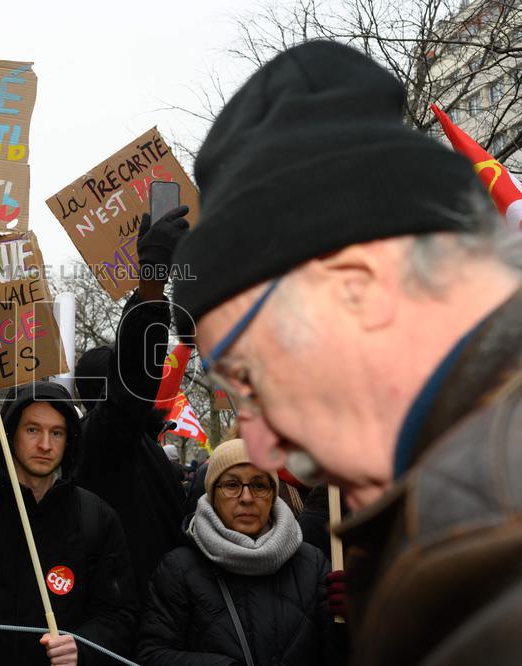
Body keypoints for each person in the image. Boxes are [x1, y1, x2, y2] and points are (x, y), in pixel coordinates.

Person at [171, 40, 522, 665]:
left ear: (359, 291)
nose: (261, 448)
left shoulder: (487, 566)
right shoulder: (449, 524)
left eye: (251, 377)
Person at [0, 381, 137, 665]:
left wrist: (82, 646)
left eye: (56, 433)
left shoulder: (97, 518)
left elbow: (120, 615)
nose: (45, 444)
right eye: (32, 430)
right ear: (10, 434)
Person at [73, 203, 191, 601]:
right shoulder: (103, 440)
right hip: (133, 613)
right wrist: (152, 280)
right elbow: (132, 386)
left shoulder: (138, 442)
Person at [138, 440, 342, 665]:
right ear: (213, 496)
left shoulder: (313, 564)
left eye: (259, 486)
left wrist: (354, 618)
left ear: (273, 495)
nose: (246, 497)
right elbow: (152, 654)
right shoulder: (178, 570)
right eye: (232, 485)